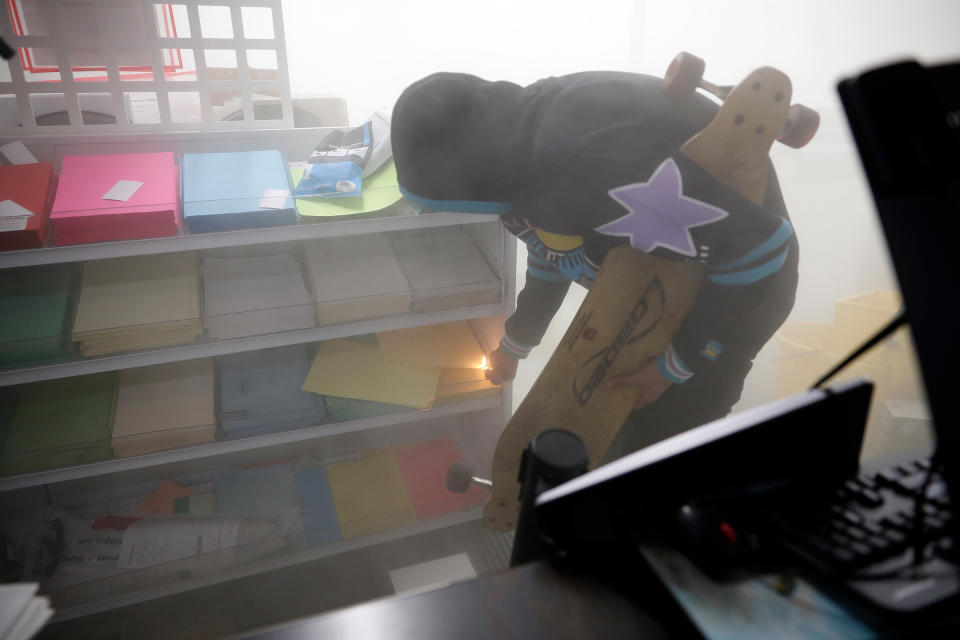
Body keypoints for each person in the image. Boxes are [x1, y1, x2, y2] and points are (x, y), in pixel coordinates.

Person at [390, 70, 799, 457]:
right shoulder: (518, 160)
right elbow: (551, 254)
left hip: (742, 289)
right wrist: (517, 342)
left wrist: (677, 365)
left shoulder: (586, 169)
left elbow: (759, 250)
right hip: (659, 276)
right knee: (617, 412)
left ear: (471, 179)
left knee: (669, 433)